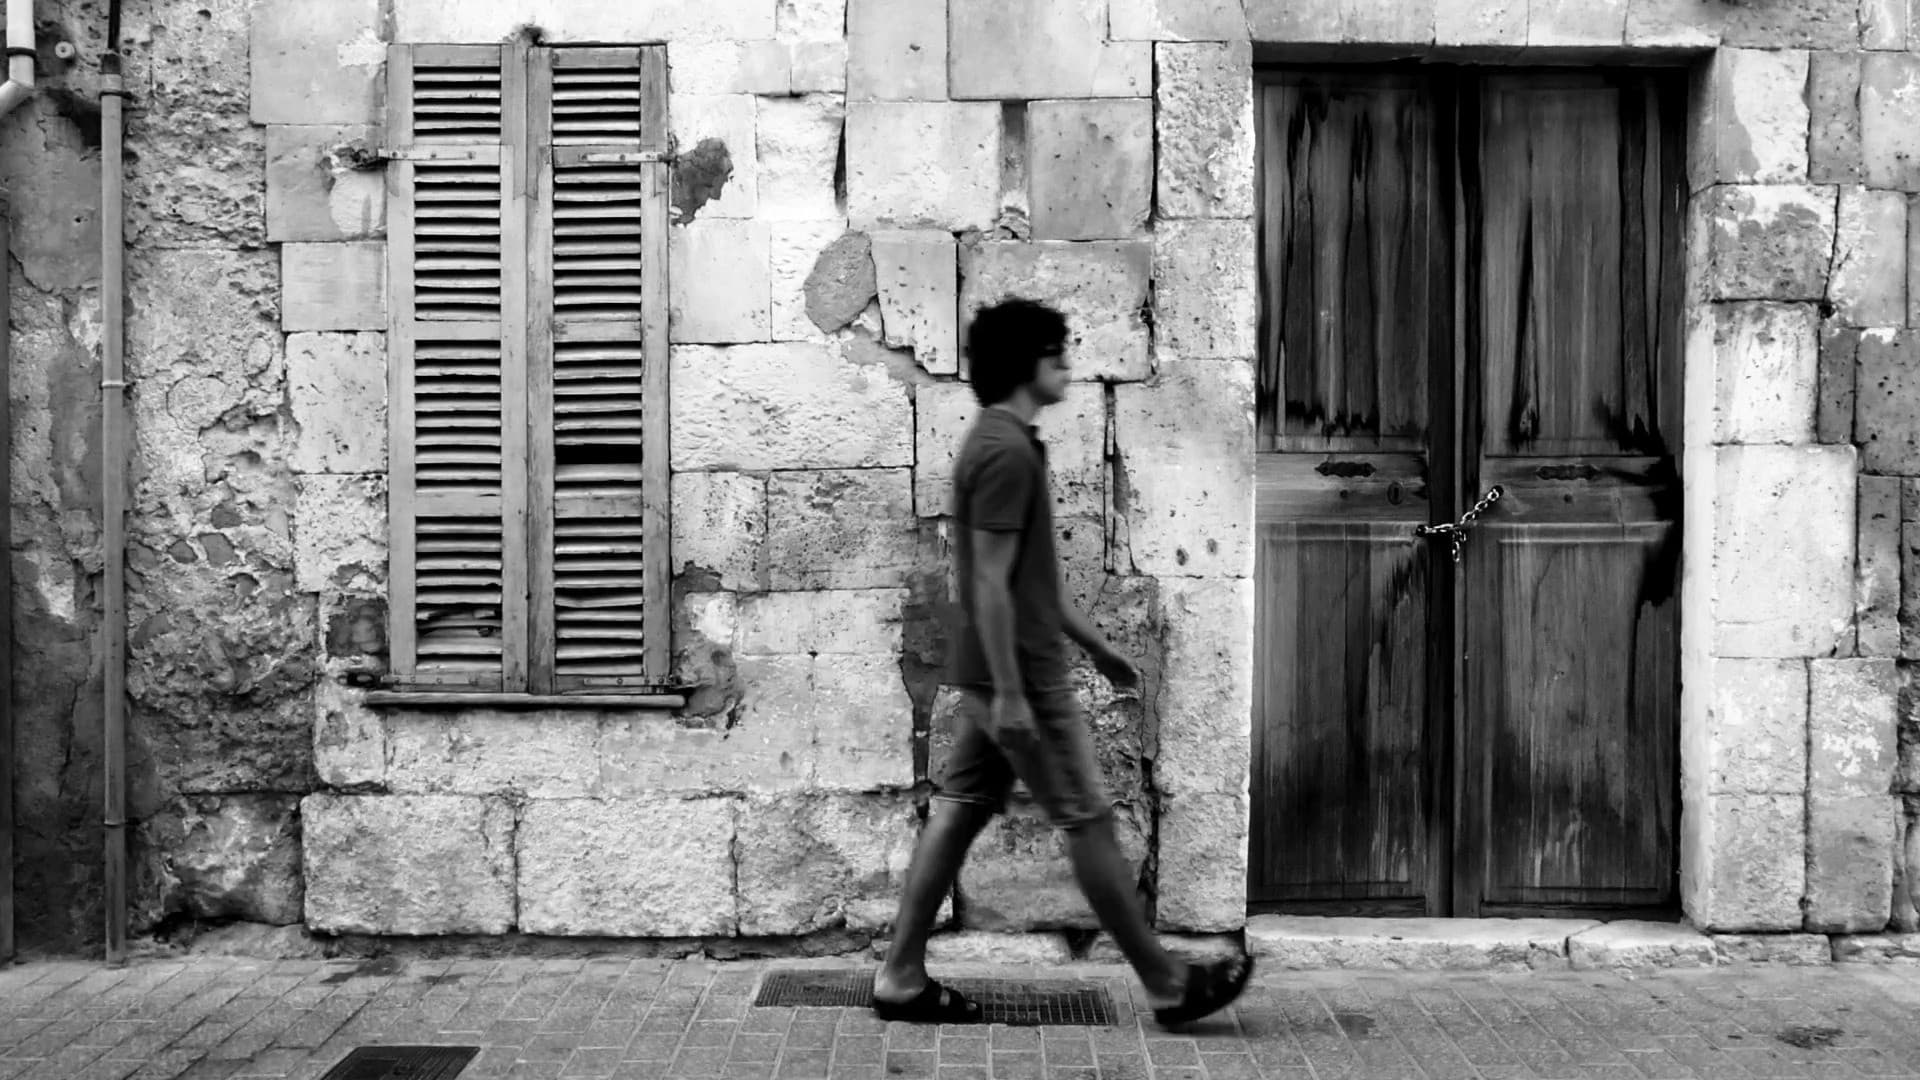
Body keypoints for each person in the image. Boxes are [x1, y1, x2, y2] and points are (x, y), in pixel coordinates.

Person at [871, 298, 1253, 1028]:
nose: (1069, 364)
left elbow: (1024, 579)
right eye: (1058, 351)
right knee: (1088, 822)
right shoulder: (1006, 451)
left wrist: (1096, 645)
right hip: (1020, 676)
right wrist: (1015, 693)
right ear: (1028, 363)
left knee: (958, 811)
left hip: (1003, 668)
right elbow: (985, 580)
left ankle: (899, 976)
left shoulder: (1002, 440)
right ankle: (1168, 984)